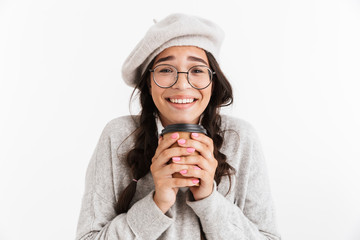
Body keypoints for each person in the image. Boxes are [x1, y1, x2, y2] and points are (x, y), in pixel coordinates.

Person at [76, 13, 281, 240]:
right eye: (165, 70)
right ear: (148, 82)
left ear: (213, 82)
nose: (182, 84)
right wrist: (157, 202)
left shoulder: (240, 138)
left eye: (197, 70)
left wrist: (208, 199)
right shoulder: (119, 135)